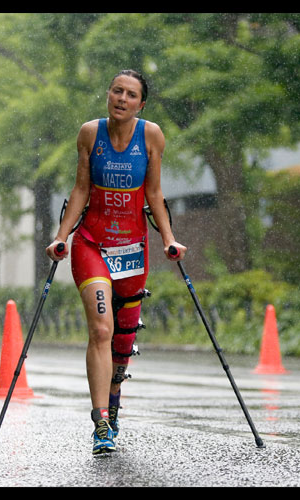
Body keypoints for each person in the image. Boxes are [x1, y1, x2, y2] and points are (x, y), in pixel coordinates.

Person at [46, 69, 187, 455]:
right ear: (108, 94)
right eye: (116, 91)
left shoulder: (152, 136)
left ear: (142, 104)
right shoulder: (90, 134)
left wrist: (170, 240)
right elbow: (80, 189)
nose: (121, 99)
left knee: (123, 343)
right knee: (101, 331)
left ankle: (114, 401)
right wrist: (62, 236)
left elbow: (155, 194)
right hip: (92, 244)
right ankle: (101, 423)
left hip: (132, 250)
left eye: (130, 94)